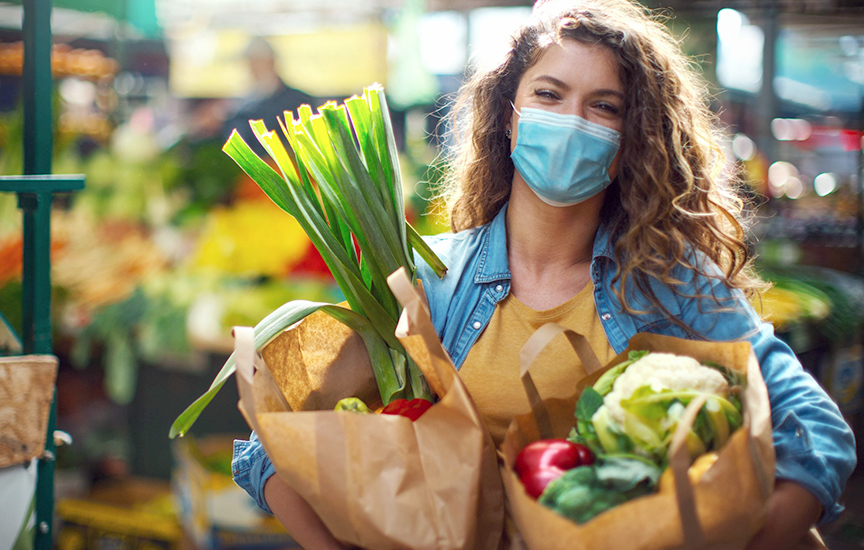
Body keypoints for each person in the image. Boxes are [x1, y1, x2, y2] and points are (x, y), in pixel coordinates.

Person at [231, 1, 857, 548]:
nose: (570, 122)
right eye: (549, 95)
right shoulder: (426, 279)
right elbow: (269, 447)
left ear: (629, 142)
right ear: (510, 117)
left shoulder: (670, 281)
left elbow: (817, 431)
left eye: (603, 107)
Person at [221, 36, 316, 153]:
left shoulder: (298, 101)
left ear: (269, 61)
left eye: (255, 62)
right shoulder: (244, 102)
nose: (251, 69)